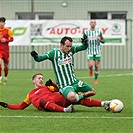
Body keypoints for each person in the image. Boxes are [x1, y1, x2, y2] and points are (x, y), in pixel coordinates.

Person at [30, 36, 97, 103]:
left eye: (70, 46)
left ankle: (77, 96)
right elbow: (39, 59)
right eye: (67, 46)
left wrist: (85, 43)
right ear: (61, 45)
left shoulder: (71, 50)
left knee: (93, 91)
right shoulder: (53, 53)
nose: (69, 48)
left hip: (75, 82)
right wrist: (35, 56)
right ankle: (75, 96)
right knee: (72, 97)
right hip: (64, 85)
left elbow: (83, 47)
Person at [0, 73, 111, 112]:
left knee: (75, 98)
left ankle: (103, 104)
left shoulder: (47, 87)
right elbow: (20, 106)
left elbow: (58, 89)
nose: (41, 80)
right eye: (39, 78)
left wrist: (52, 83)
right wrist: (5, 105)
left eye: (42, 78)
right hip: (47, 105)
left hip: (59, 100)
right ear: (33, 80)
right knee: (42, 101)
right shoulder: (30, 95)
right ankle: (65, 110)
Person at [83, 19, 105, 84]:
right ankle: (90, 70)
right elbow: (82, 40)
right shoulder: (86, 32)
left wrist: (100, 39)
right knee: (90, 65)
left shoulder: (99, 32)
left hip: (97, 51)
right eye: (92, 22)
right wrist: (85, 41)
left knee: (97, 66)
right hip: (90, 51)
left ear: (96, 24)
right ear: (90, 24)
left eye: (94, 22)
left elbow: (104, 41)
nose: (93, 23)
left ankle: (95, 79)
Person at [0, 17, 14, 85]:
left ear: (4, 23)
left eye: (2, 22)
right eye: (0, 22)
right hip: (0, 50)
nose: (1, 23)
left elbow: (12, 39)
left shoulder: (8, 30)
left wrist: (6, 40)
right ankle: (0, 77)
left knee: (6, 66)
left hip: (6, 50)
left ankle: (5, 76)